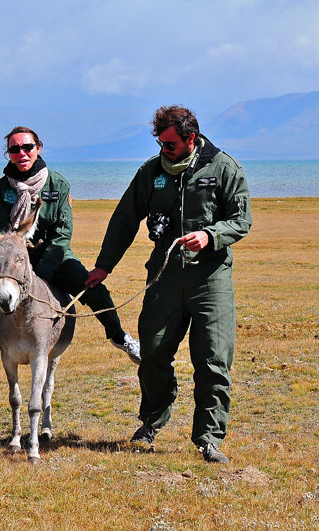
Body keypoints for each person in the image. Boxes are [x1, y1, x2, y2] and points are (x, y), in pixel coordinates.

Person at [85, 106, 252, 463]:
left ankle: (209, 439)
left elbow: (241, 220)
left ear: (191, 138)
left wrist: (210, 235)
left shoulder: (224, 168)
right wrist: (104, 266)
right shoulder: (151, 172)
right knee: (153, 353)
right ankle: (151, 422)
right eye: (160, 143)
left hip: (211, 280)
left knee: (213, 360)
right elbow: (125, 219)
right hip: (164, 279)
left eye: (170, 144)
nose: (164, 150)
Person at [0, 126, 140, 364]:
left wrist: (44, 274)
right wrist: (16, 262)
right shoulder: (0, 189)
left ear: (38, 148)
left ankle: (120, 337)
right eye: (14, 149)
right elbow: (4, 234)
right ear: (9, 154)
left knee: (97, 291)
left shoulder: (58, 185)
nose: (22, 153)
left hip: (55, 257)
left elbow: (62, 234)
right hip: (14, 259)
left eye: (27, 147)